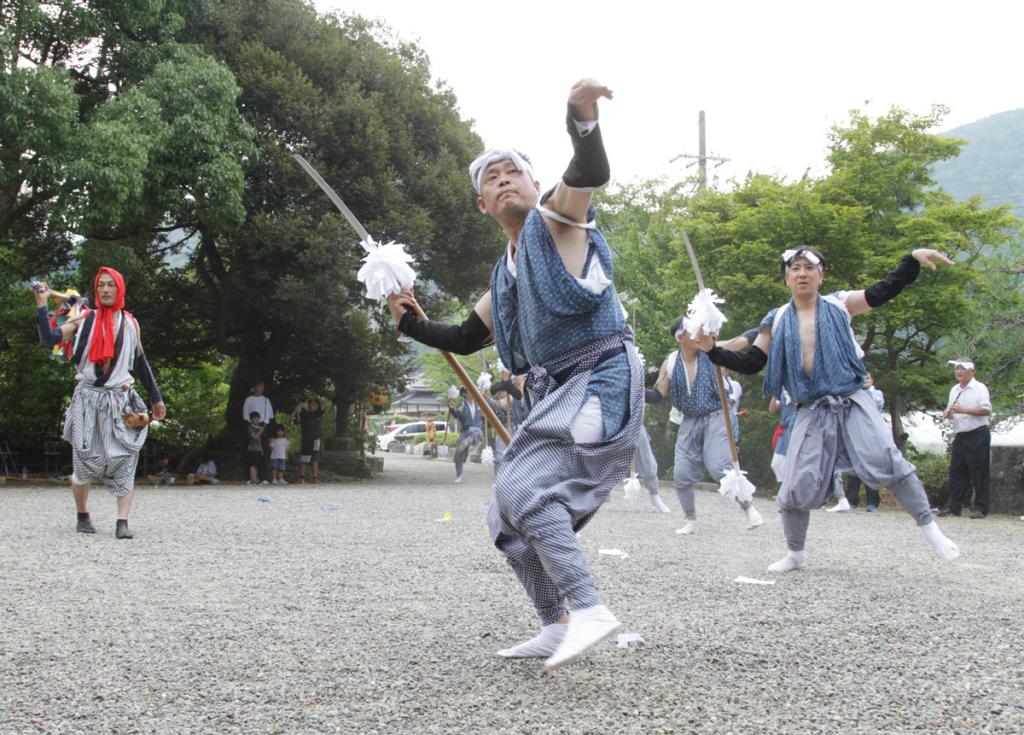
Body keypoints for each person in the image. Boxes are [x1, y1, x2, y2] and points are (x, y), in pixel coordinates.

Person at [386, 79, 642, 669]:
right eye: (490, 180)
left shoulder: (558, 220)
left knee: (524, 490)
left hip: (600, 375)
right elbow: (462, 337)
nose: (502, 181)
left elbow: (590, 168)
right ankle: (555, 623)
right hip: (555, 395)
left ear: (535, 184)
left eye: (512, 173)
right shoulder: (502, 275)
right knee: (503, 514)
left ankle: (589, 608)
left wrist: (580, 116)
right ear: (482, 204)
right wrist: (407, 320)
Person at [702, 245, 960, 572]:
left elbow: (882, 291)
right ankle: (795, 553)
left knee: (886, 458)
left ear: (821, 275)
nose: (802, 274)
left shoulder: (840, 304)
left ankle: (930, 529)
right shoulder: (777, 319)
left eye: (809, 268)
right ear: (786, 278)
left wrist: (910, 261)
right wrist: (713, 351)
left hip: (851, 399)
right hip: (809, 407)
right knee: (795, 483)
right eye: (794, 268)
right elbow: (753, 362)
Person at [34, 266, 167, 539]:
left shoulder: (131, 323)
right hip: (88, 399)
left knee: (127, 456)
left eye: (111, 285)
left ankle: (122, 521)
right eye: (101, 285)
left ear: (120, 290)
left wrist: (156, 399)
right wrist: (42, 305)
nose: (106, 289)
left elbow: (140, 364)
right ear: (96, 290)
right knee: (84, 460)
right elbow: (49, 338)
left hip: (120, 399)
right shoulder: (83, 320)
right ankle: (83, 514)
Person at [650, 317, 763, 535]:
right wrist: (631, 391)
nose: (700, 334)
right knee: (681, 475)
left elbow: (742, 341)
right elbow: (657, 395)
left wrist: (765, 327)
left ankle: (748, 508)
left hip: (717, 415)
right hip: (689, 420)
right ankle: (691, 519)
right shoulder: (671, 362)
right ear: (681, 338)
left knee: (719, 467)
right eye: (694, 331)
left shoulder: (712, 351)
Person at [939, 358, 992, 519]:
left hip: (977, 433)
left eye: (962, 369)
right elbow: (952, 410)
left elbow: (986, 410)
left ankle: (980, 508)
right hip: (960, 434)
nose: (959, 372)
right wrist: (947, 414)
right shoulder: (954, 389)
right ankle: (953, 507)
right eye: (957, 369)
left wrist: (965, 410)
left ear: (971, 371)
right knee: (956, 471)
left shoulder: (979, 388)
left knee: (979, 472)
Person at [829, 372, 885, 512]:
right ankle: (852, 499)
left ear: (872, 380)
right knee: (853, 466)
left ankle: (873, 501)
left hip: (870, 434)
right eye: (863, 378)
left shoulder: (877, 393)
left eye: (868, 378)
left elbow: (875, 406)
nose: (866, 380)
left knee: (869, 468)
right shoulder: (853, 393)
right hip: (854, 433)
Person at [449, 387, 484, 484]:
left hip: (477, 430)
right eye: (470, 391)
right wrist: (451, 408)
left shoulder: (478, 403)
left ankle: (469, 441)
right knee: (458, 452)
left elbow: (485, 411)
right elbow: (457, 415)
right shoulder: (462, 404)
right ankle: (459, 475)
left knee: (476, 433)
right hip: (466, 430)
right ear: (464, 394)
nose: (473, 392)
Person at [243, 382, 273, 482]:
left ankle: (263, 477)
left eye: (262, 386)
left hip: (263, 425)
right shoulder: (249, 400)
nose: (260, 388)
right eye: (258, 386)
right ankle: (251, 477)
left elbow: (269, 416)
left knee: (264, 452)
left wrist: (264, 427)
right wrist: (252, 425)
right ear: (254, 387)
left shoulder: (266, 400)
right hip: (252, 425)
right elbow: (245, 416)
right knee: (252, 452)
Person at [292, 396, 325, 483]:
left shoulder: (318, 413)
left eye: (316, 405)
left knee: (315, 459)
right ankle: (301, 478)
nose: (314, 406)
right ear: (309, 405)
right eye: (312, 404)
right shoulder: (303, 413)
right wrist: (297, 407)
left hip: (316, 438)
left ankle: (315, 478)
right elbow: (293, 417)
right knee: (304, 459)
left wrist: (315, 397)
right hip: (307, 439)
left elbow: (322, 404)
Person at [246, 411, 266, 485]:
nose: (257, 420)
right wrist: (261, 430)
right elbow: (255, 437)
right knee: (253, 464)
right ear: (251, 419)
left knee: (257, 464)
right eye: (255, 419)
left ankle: (255, 478)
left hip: (259, 449)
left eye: (258, 419)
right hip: (253, 449)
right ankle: (253, 479)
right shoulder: (251, 428)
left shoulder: (258, 428)